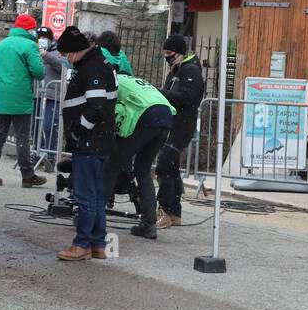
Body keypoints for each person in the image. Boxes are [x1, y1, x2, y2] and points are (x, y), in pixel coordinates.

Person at [56, 26, 116, 261]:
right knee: (97, 195)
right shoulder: (100, 63)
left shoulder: (91, 67)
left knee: (86, 196)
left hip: (91, 143)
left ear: (74, 51)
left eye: (65, 54)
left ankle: (82, 244)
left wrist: (79, 130)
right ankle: (98, 244)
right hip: (99, 142)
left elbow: (97, 106)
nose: (64, 58)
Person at [0, 14, 46, 189]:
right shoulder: (30, 45)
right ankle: (27, 175)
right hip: (21, 98)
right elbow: (39, 72)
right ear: (29, 29)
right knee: (22, 137)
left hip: (2, 98)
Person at [108, 74, 174, 239]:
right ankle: (149, 224)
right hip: (166, 115)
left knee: (112, 165)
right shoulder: (132, 80)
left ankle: (93, 219)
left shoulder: (112, 80)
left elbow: (109, 109)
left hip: (147, 116)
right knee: (143, 170)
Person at [156, 34, 204, 230]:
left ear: (178, 53)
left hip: (182, 125)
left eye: (169, 53)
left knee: (165, 163)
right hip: (173, 123)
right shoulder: (177, 69)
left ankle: (166, 210)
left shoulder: (190, 70)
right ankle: (174, 212)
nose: (166, 57)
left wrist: (161, 92)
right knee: (171, 166)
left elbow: (188, 97)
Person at [34, 25, 65, 172]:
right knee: (35, 127)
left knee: (49, 126)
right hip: (38, 93)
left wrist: (45, 54)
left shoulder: (58, 50)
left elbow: (61, 66)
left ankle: (50, 158)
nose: (41, 40)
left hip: (53, 95)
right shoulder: (33, 48)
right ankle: (37, 154)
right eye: (39, 37)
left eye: (44, 38)